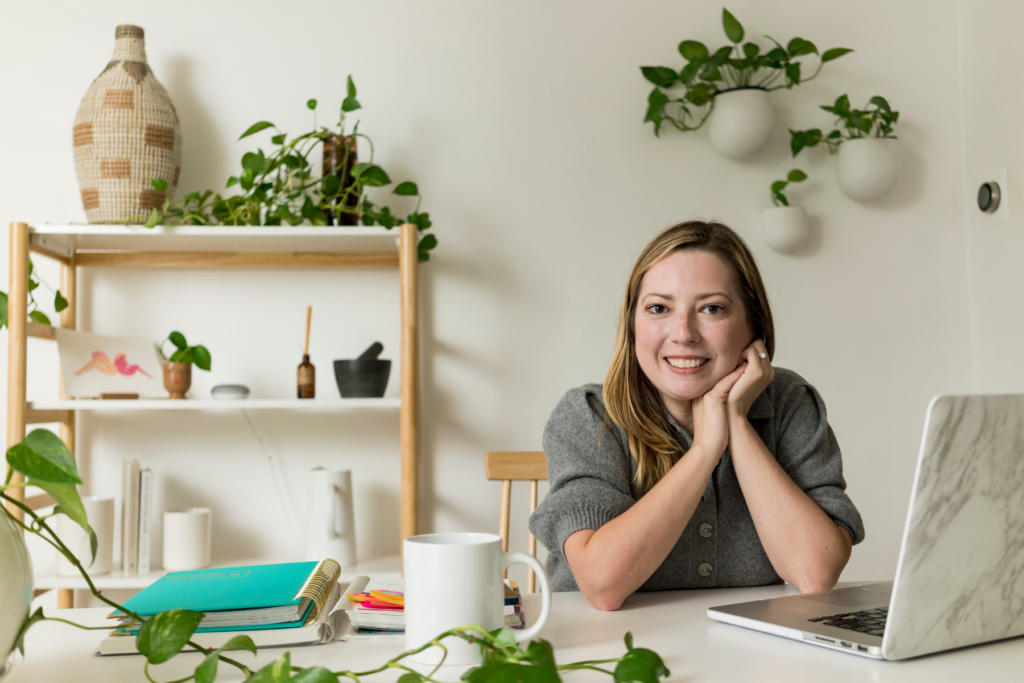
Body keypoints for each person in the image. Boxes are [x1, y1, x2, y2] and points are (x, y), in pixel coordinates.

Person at [529, 220, 864, 611]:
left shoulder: (789, 403)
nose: (684, 333)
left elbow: (815, 572)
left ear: (753, 326)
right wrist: (706, 448)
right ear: (633, 325)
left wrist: (736, 421)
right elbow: (604, 585)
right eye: (658, 308)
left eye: (712, 308)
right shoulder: (588, 415)